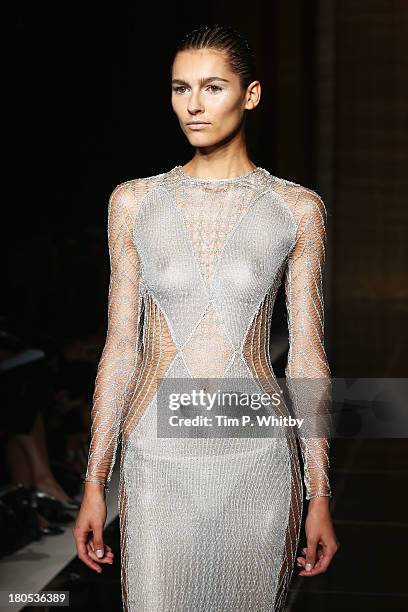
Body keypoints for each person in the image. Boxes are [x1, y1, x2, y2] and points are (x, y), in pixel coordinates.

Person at [73, 23, 339, 611]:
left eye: (213, 87)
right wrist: (95, 480)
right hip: (156, 456)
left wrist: (319, 489)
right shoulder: (134, 202)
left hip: (257, 458)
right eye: (179, 88)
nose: (192, 104)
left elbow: (307, 355)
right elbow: (121, 347)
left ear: (251, 94)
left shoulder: (296, 209)